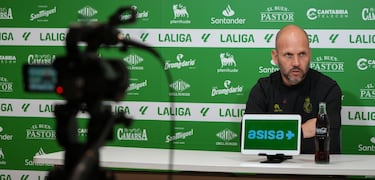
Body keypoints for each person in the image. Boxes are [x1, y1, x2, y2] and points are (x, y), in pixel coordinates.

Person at [244, 24, 342, 154]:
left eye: (302, 54)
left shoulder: (328, 89)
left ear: (310, 54)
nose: (296, 62)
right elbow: (249, 141)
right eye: (288, 55)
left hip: (317, 171)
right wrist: (302, 131)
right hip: (273, 172)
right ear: (275, 57)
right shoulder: (263, 89)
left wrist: (273, 136)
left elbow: (328, 143)